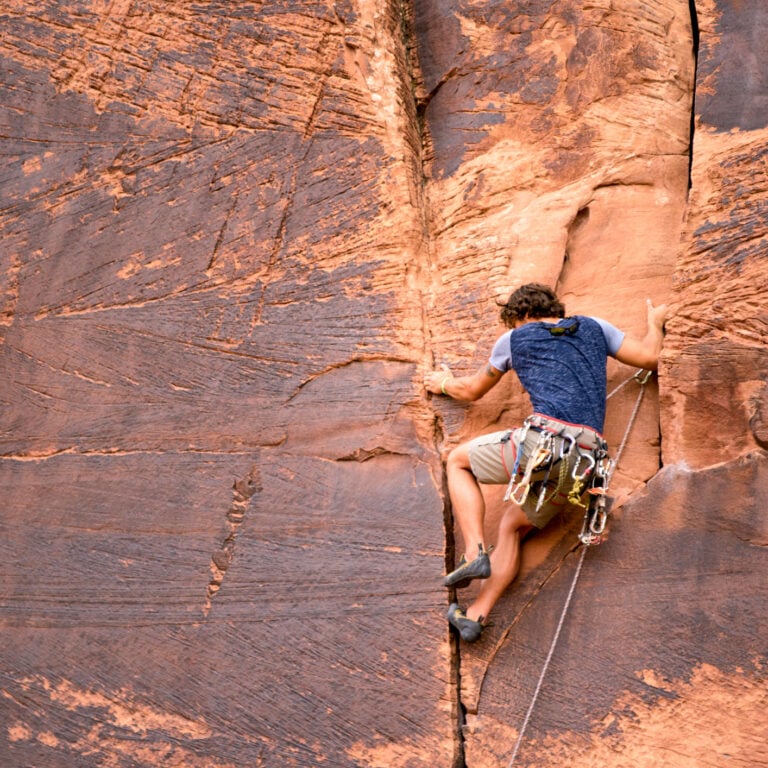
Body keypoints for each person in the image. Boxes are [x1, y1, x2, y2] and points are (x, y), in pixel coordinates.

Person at [424, 283, 667, 642]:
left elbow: (471, 391)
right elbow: (649, 357)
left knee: (458, 462)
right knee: (512, 527)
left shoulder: (513, 340)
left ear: (520, 316)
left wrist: (443, 382)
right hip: (586, 464)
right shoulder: (596, 327)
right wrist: (656, 323)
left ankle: (474, 551)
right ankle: (475, 615)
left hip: (544, 444)